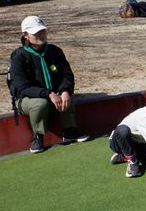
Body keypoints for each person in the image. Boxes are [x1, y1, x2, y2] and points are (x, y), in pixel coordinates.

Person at [9, 16, 89, 153]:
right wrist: (49, 94)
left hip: (52, 95)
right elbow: (23, 87)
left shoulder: (54, 51)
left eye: (43, 31)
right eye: (35, 33)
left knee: (66, 97)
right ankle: (38, 136)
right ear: (25, 36)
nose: (41, 35)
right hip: (27, 98)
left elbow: (67, 75)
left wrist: (64, 91)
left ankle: (69, 131)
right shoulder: (18, 56)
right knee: (40, 104)